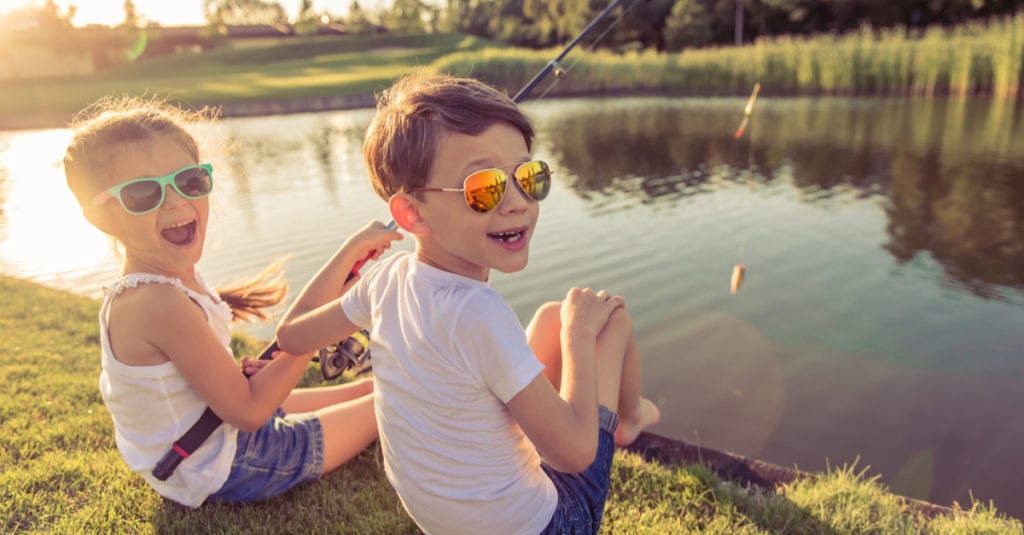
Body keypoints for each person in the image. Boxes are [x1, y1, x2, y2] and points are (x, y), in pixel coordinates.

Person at [276, 71, 661, 534]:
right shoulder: (478, 313)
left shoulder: (384, 279)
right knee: (607, 322)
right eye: (485, 189)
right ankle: (630, 418)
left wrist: (347, 252)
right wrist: (579, 338)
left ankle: (601, 411)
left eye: (527, 175)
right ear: (411, 213)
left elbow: (290, 335)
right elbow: (574, 456)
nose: (518, 201)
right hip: (549, 526)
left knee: (549, 316)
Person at [63, 95, 383, 508]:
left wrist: (346, 255)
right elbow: (250, 412)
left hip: (210, 438)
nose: (177, 201)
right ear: (101, 216)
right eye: (144, 194)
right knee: (397, 398)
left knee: (380, 385)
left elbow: (247, 385)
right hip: (227, 466)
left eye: (189, 181)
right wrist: (315, 334)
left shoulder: (167, 281)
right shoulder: (155, 302)